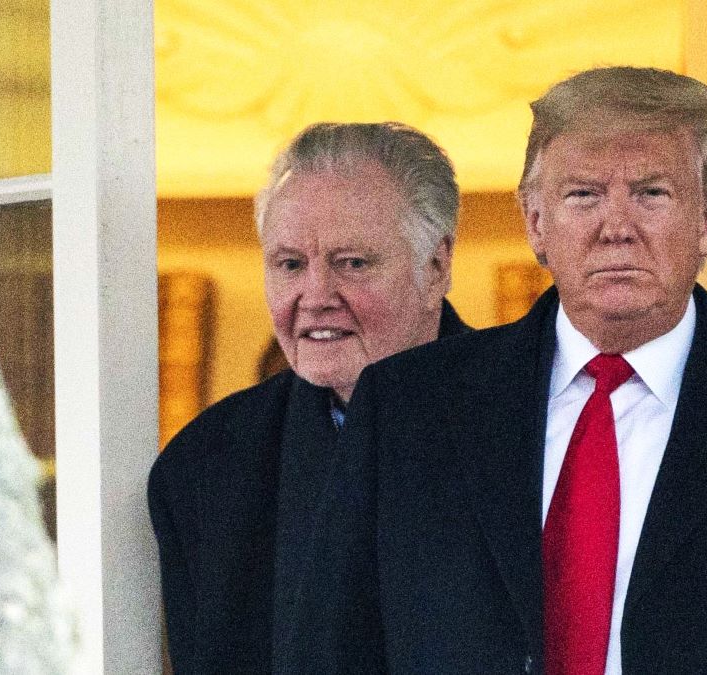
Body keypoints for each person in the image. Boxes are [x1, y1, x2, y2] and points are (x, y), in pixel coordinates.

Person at [277, 68, 707, 674]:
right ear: (536, 223)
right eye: (584, 195)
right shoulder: (406, 409)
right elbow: (331, 655)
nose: (616, 226)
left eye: (651, 193)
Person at [147, 122, 470, 673]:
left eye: (353, 263)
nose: (316, 297)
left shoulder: (533, 423)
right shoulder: (204, 467)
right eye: (291, 264)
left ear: (436, 265)